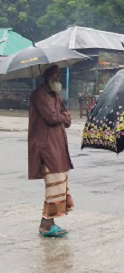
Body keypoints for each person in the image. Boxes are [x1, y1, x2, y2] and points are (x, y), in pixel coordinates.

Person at [28, 65, 74, 237]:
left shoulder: (55, 95)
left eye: (59, 75)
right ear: (47, 75)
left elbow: (66, 118)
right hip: (46, 147)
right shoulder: (39, 95)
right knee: (54, 184)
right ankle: (47, 225)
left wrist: (62, 117)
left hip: (58, 145)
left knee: (60, 183)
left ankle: (47, 223)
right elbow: (52, 117)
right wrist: (62, 117)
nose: (58, 78)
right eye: (56, 75)